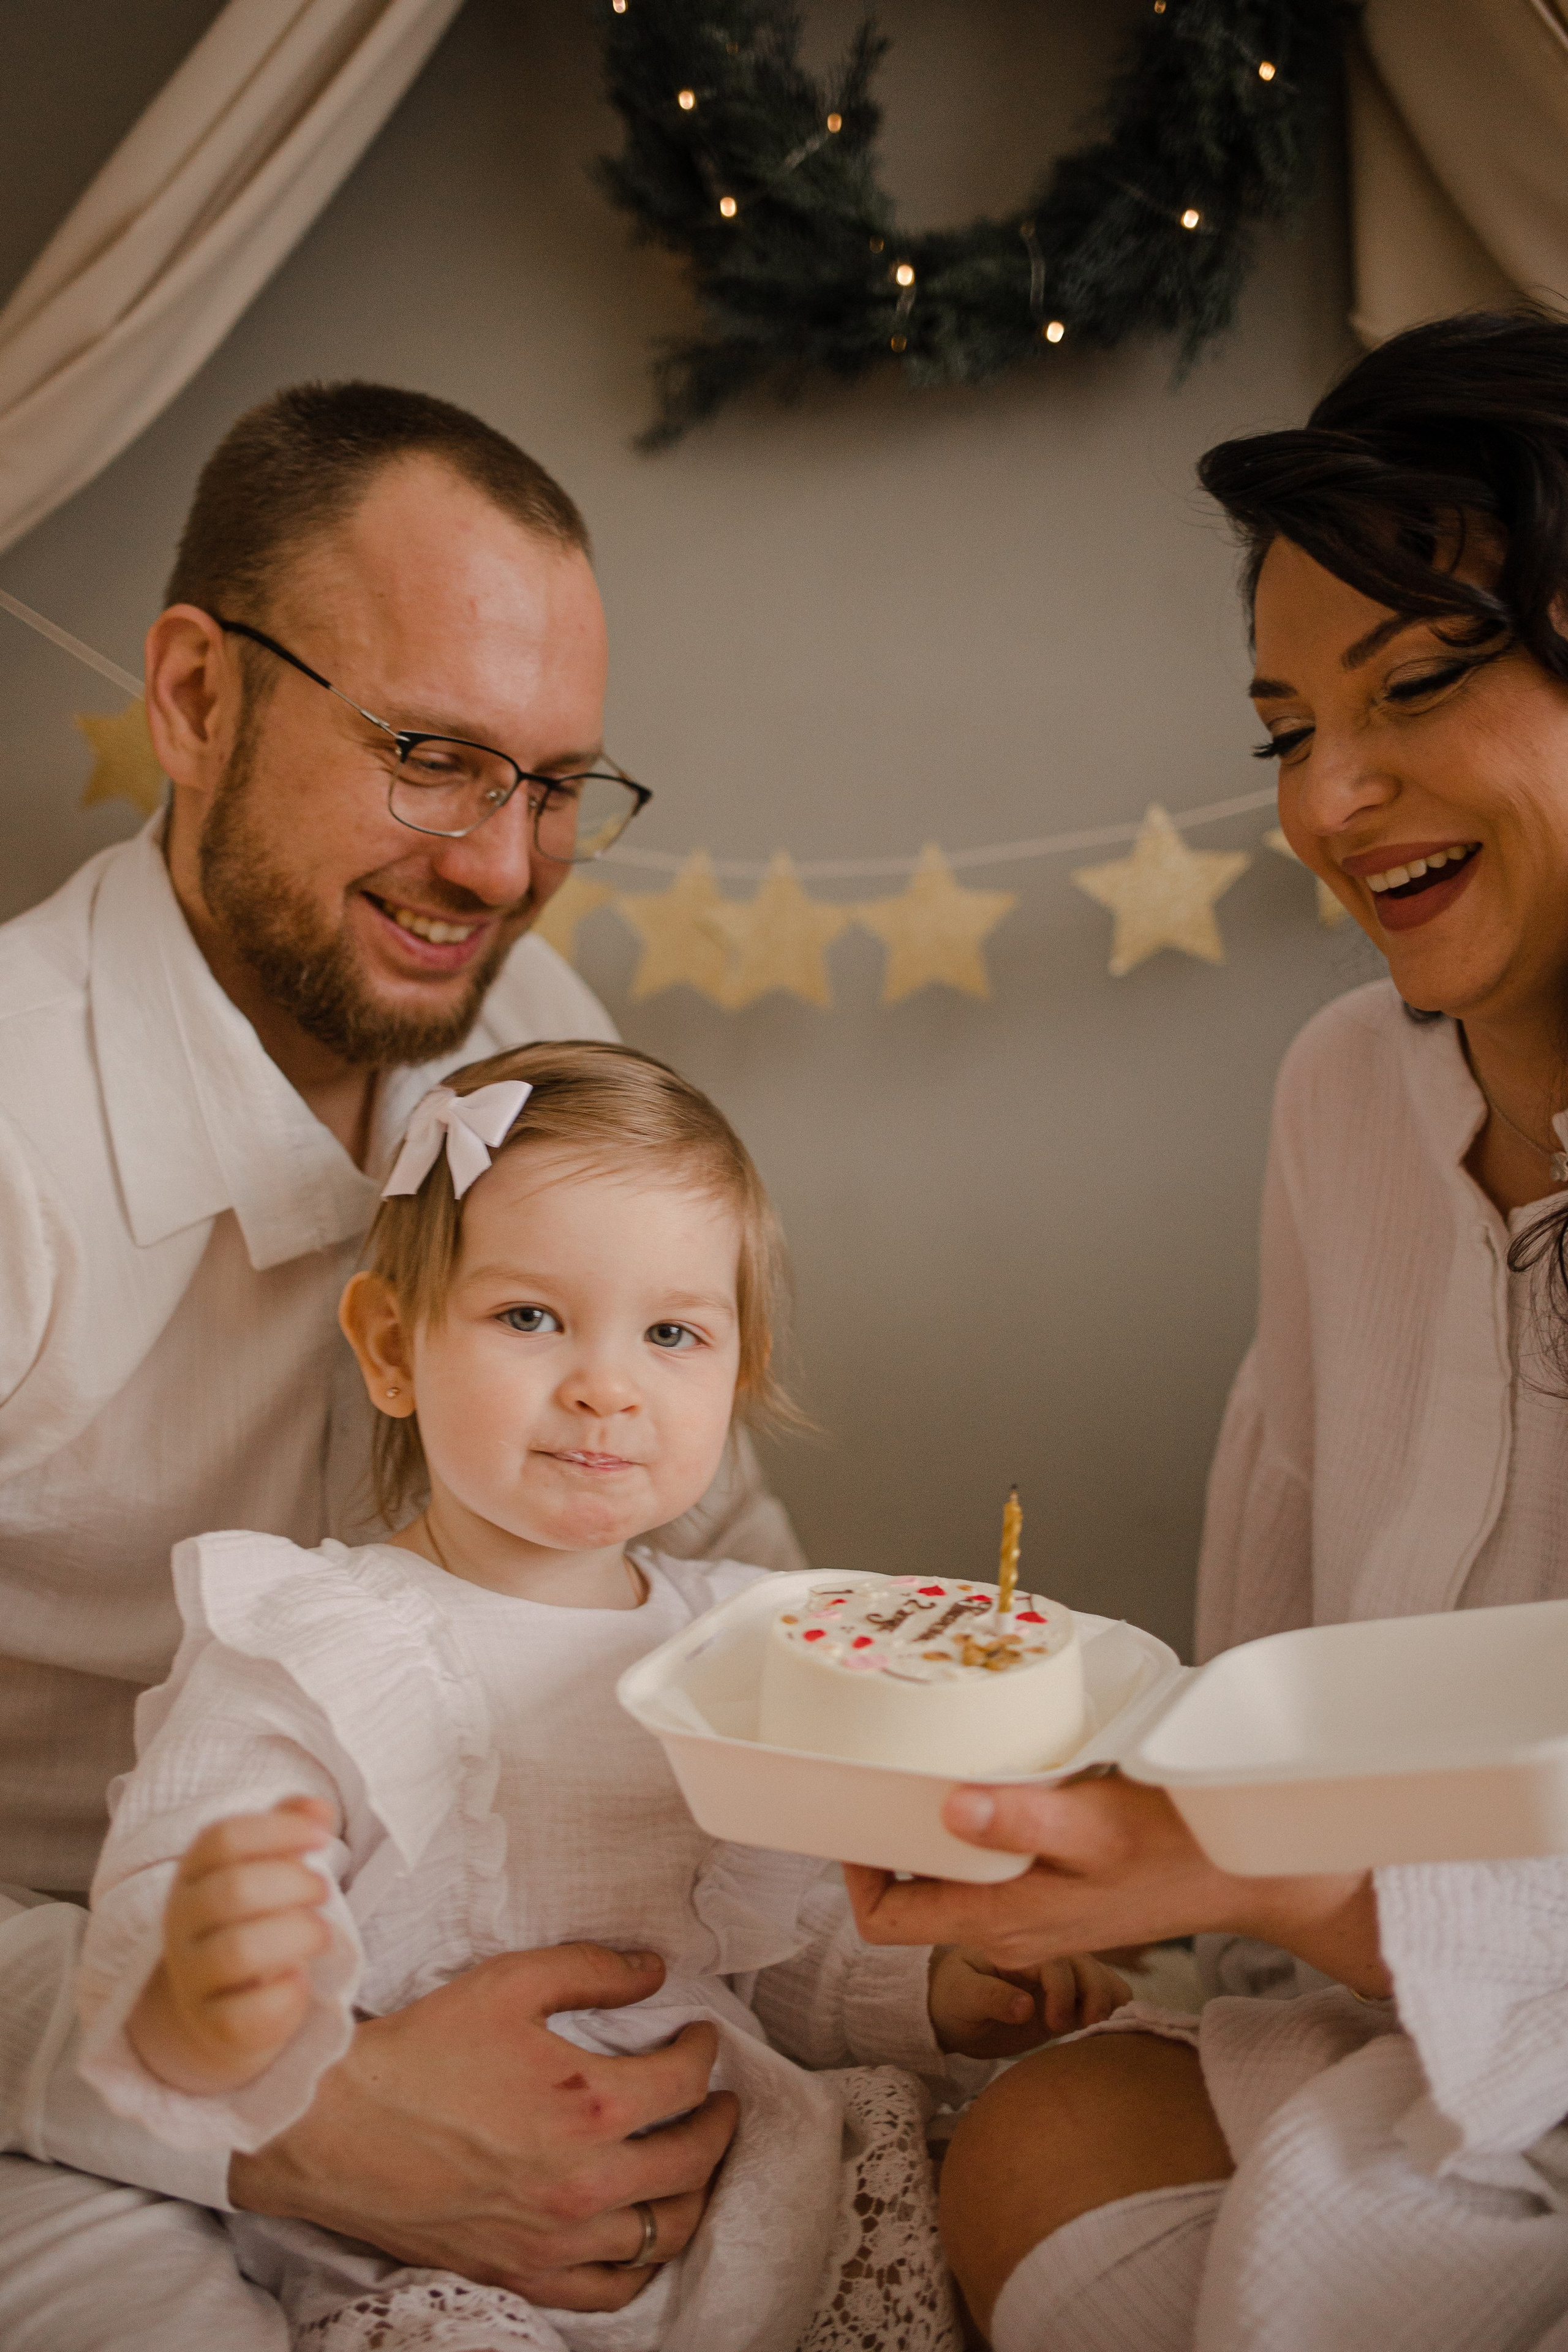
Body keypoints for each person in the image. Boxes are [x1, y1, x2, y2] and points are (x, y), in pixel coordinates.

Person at [0, 383, 802, 2350]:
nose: (503, 866)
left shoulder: (519, 1021)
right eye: (437, 760)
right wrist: (283, 2115)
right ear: (195, 695)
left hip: (557, 1980)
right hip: (59, 2053)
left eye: (555, 785)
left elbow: (709, 1529)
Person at [846, 311, 1568, 2352]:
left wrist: (1227, 1867)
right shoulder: (1344, 1097)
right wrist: (1055, 1798)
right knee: (1034, 2140)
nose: (1332, 801)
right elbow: (1276, 1650)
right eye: (1282, 728)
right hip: (1405, 2023)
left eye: (1421, 685)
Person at [74, 1039, 1129, 2352]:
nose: (605, 1384)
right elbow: (170, 1892)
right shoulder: (307, 1639)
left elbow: (787, 1945)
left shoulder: (736, 1645)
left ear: (732, 1382)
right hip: (436, 2250)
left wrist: (930, 1989)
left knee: (946, 2216)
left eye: (672, 1333)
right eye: (530, 1318)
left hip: (744, 2195)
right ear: (392, 1348)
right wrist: (212, 1980)